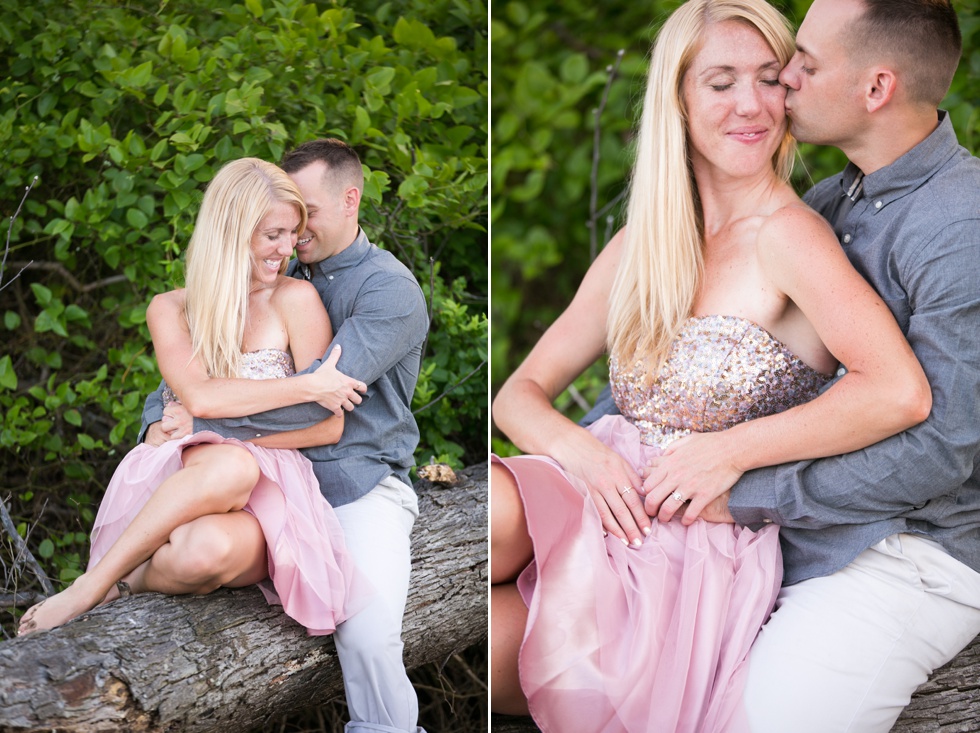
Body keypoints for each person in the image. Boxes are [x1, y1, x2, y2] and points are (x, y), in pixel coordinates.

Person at [489, 0, 933, 730]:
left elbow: (899, 391)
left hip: (685, 543)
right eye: (721, 82)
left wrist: (728, 451)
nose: (751, 104)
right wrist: (582, 453)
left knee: (503, 638)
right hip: (599, 485)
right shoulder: (645, 242)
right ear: (679, 99)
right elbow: (519, 395)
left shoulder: (791, 236)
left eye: (767, 78)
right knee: (493, 515)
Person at [702, 1, 979, 730]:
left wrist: (740, 491)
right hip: (790, 532)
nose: (783, 79)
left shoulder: (962, 225)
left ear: (877, 87)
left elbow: (942, 451)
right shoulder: (826, 204)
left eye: (808, 63)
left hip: (913, 555)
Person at [143, 139, 429, 733]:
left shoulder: (386, 292)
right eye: (289, 220)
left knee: (369, 635)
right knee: (189, 548)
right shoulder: (273, 265)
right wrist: (160, 416)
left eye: (311, 216)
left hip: (352, 486)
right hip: (261, 480)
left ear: (351, 200)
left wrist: (202, 420)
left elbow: (317, 407)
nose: (296, 235)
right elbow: (203, 369)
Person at [17, 157, 366, 637]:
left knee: (206, 548)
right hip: (184, 471)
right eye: (273, 235)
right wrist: (306, 386)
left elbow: (330, 425)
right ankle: (88, 586)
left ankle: (125, 580)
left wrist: (217, 429)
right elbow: (199, 395)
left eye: (293, 232)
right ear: (232, 231)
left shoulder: (295, 301)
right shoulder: (172, 309)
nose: (288, 248)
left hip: (271, 485)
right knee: (229, 465)